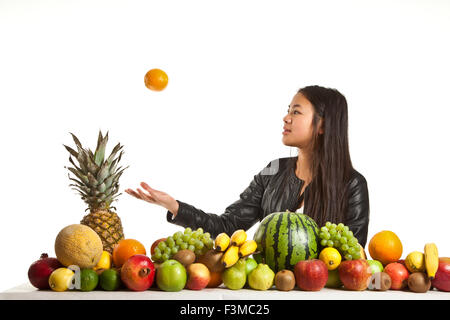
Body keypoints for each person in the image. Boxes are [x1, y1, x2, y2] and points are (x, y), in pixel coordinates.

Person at [125, 85, 370, 247]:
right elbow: (228, 226)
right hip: (265, 289)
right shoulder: (273, 170)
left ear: (322, 126)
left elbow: (352, 255)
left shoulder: (352, 184)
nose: (286, 118)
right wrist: (175, 207)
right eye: (288, 111)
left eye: (296, 112)